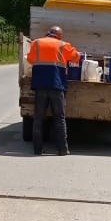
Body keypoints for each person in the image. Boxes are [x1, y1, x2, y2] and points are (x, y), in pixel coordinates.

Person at [27, 26, 80, 155]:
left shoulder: (36, 43)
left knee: (38, 118)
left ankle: (37, 149)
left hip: (40, 86)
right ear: (59, 36)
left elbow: (30, 59)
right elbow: (76, 57)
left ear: (47, 33)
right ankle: (62, 149)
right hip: (57, 86)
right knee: (59, 118)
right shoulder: (63, 45)